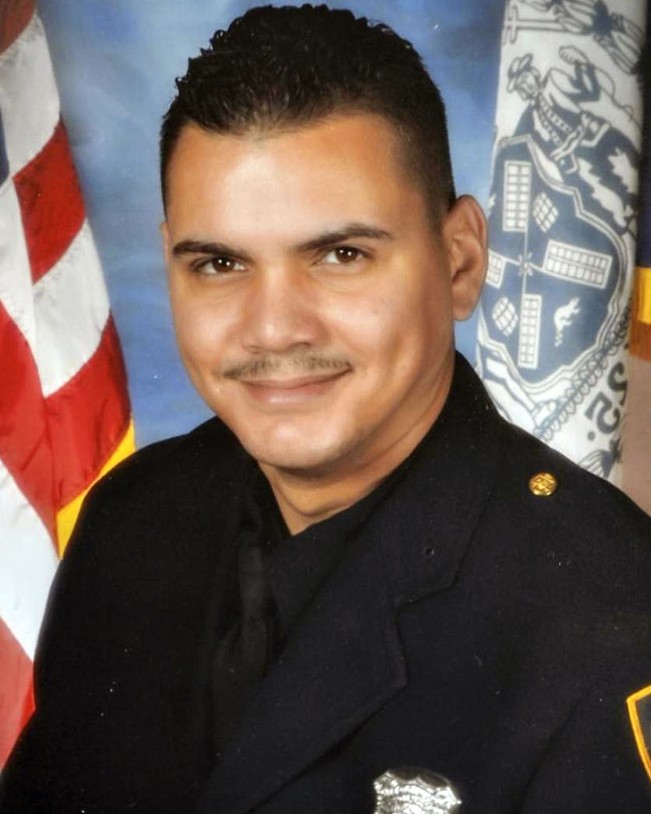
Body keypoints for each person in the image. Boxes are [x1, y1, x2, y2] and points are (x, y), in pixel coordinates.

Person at [2, 5, 651, 812]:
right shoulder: (132, 521)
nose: (274, 328)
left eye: (341, 255)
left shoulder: (606, 616)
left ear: (459, 262)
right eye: (219, 264)